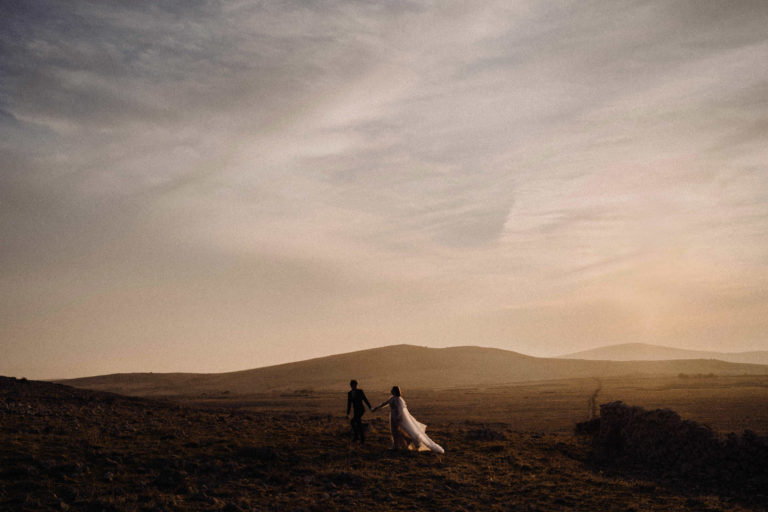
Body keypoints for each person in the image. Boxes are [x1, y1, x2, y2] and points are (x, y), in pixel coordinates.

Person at [372, 385, 444, 454]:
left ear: (394, 391)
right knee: (394, 431)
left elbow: (400, 410)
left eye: (392, 390)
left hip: (397, 418)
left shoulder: (398, 399)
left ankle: (406, 442)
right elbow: (384, 403)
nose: (391, 391)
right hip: (393, 416)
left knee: (400, 431)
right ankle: (397, 445)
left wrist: (398, 418)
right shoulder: (392, 398)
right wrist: (376, 408)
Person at [346, 379, 372, 444]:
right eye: (352, 385)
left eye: (354, 385)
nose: (353, 386)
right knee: (357, 423)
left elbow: (365, 399)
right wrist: (348, 412)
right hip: (355, 410)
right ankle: (359, 437)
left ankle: (358, 437)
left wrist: (370, 407)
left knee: (355, 422)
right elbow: (349, 403)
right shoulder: (349, 393)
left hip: (361, 410)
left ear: (356, 385)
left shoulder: (360, 391)